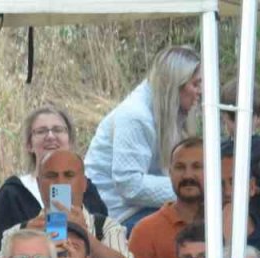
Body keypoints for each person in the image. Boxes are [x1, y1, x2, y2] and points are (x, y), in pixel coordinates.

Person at [0, 149, 132, 258]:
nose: (60, 183)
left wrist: (86, 236)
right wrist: (26, 241)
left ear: (84, 183)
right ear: (39, 184)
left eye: (69, 175)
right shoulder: (20, 231)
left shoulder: (104, 227)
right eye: (51, 176)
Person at [85, 45, 201, 233]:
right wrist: (190, 187)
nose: (200, 92)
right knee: (196, 230)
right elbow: (130, 185)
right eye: (195, 84)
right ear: (175, 85)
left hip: (146, 208)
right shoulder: (135, 116)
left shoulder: (169, 111)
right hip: (119, 216)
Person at [0, 105, 108, 253]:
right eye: (41, 131)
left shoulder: (86, 189)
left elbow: (106, 241)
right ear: (29, 145)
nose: (51, 136)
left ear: (69, 141)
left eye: (58, 130)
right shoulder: (12, 194)